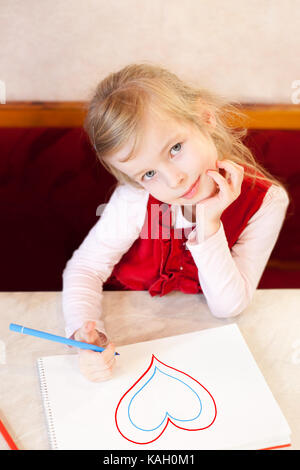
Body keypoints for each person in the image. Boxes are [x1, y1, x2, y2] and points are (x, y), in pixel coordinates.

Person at [62, 62, 290, 382]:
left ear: (205, 118)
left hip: (210, 346)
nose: (175, 180)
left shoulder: (266, 201)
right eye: (149, 173)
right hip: (133, 332)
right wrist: (85, 333)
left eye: (175, 148)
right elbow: (85, 268)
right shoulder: (136, 198)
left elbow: (229, 306)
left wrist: (208, 225)